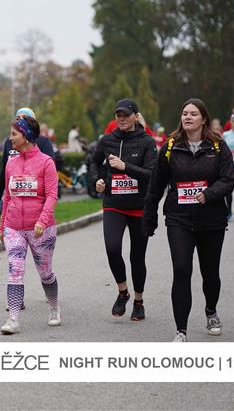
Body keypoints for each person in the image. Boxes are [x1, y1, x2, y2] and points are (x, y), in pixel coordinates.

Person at [143, 98, 234, 342]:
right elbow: (156, 185)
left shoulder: (217, 146)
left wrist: (209, 194)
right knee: (182, 270)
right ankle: (181, 330)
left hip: (212, 220)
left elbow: (229, 179)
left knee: (210, 273)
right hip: (179, 219)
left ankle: (211, 311)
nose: (188, 117)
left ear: (203, 119)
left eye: (193, 114)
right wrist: (149, 219)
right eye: (185, 113)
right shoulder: (170, 146)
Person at [91, 99, 157, 321]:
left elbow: (152, 174)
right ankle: (123, 292)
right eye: (118, 115)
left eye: (126, 115)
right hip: (114, 204)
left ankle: (139, 301)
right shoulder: (107, 140)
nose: (121, 119)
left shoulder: (147, 142)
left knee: (137, 257)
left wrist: (125, 167)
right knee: (112, 248)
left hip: (139, 207)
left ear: (135, 117)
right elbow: (94, 163)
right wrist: (98, 180)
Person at [0, 114, 59, 334]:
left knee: (45, 273)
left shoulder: (46, 163)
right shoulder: (11, 163)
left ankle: (54, 307)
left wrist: (42, 220)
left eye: (14, 134)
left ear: (25, 136)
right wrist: (3, 225)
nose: (10, 138)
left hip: (41, 228)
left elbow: (52, 195)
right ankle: (13, 319)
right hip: (14, 227)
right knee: (15, 271)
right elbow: (7, 197)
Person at [0, 108, 54, 215]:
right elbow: (4, 173)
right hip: (14, 203)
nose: (20, 121)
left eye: (24, 118)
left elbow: (50, 173)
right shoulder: (9, 142)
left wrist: (45, 211)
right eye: (17, 118)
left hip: (37, 203)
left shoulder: (43, 142)